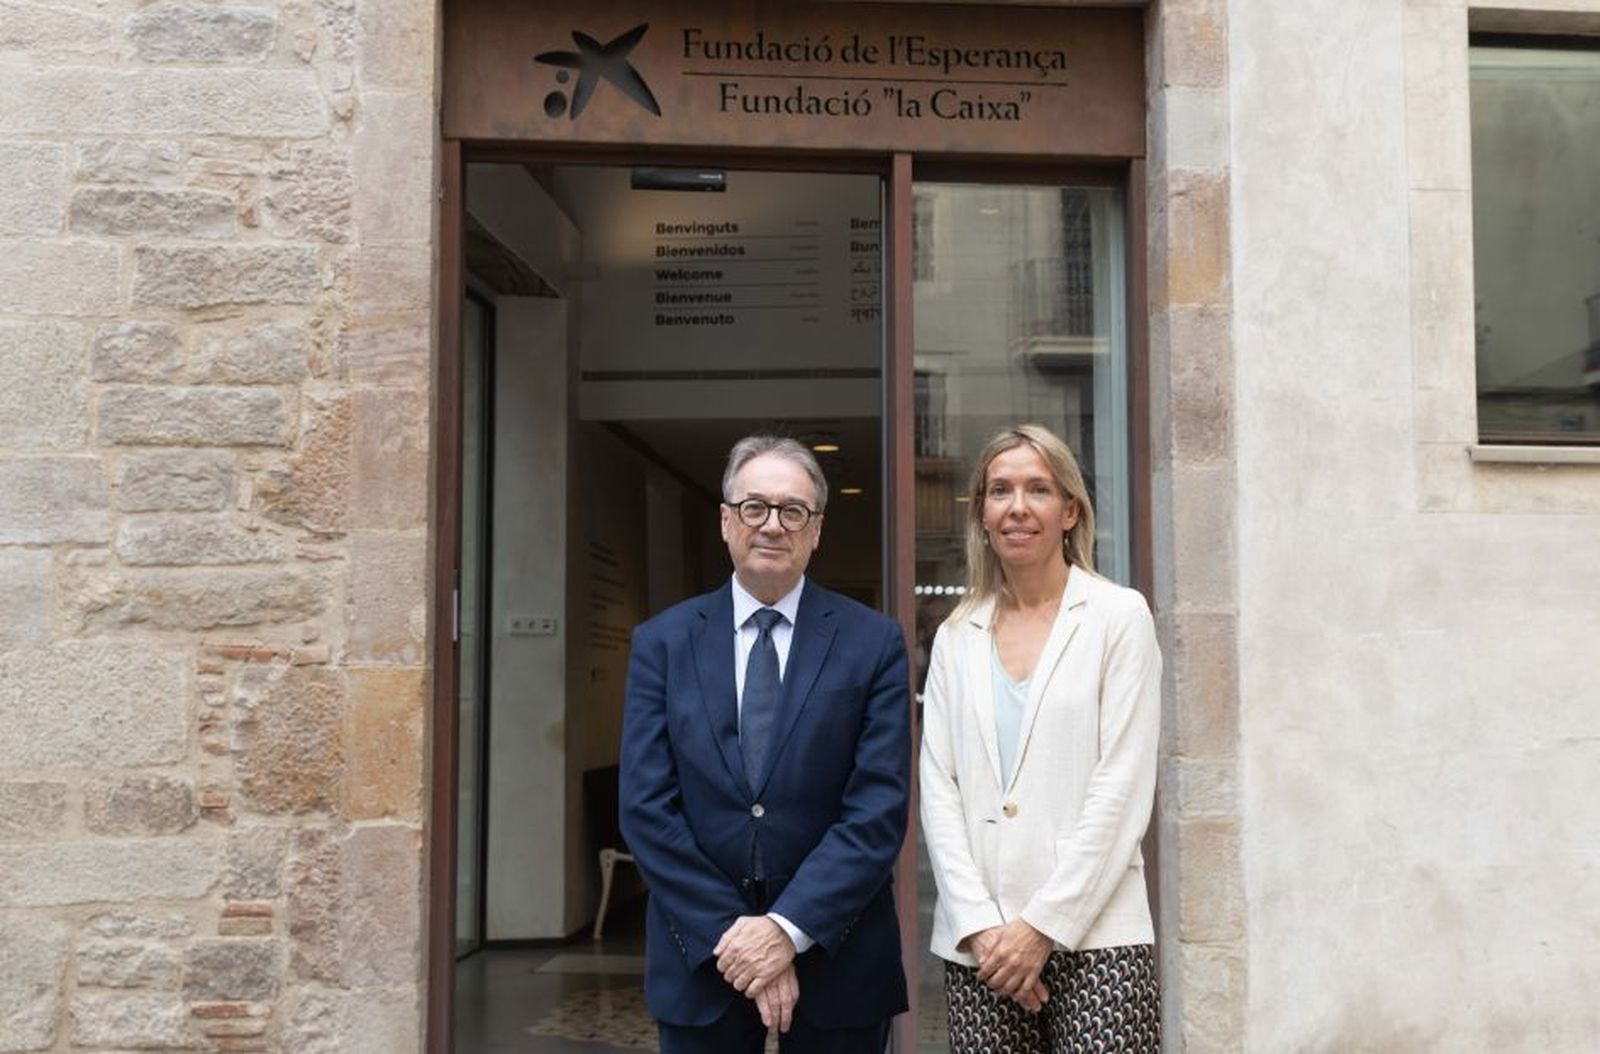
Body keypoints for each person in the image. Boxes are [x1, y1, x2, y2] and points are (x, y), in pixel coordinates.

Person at [619, 435, 911, 1054]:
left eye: (793, 511)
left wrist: (786, 929)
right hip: (702, 957)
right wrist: (739, 939)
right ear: (727, 520)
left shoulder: (874, 644)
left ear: (817, 530)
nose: (773, 525)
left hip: (839, 957)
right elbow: (646, 809)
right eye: (755, 507)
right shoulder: (662, 644)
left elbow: (877, 811)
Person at [919, 424, 1162, 1052]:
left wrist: (1042, 927)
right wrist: (982, 927)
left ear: (1069, 511)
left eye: (1039, 489)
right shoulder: (956, 634)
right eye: (1000, 491)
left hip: (1099, 937)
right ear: (982, 513)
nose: (1018, 507)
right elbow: (939, 790)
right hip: (982, 947)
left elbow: (1122, 789)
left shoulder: (1119, 618)